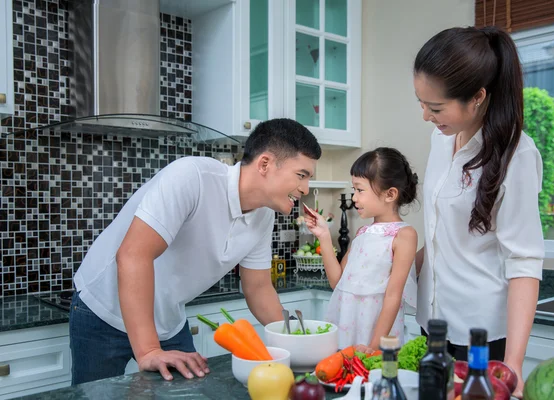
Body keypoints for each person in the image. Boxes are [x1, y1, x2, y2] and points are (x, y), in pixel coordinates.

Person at [69, 118, 321, 385]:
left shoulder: (263, 216)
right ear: (265, 164)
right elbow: (134, 255)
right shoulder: (192, 177)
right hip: (101, 309)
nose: (305, 188)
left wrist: (297, 336)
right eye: (301, 175)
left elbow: (258, 288)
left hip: (168, 319)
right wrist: (149, 351)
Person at [413, 26, 545, 397]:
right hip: (432, 322)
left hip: (481, 338)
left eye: (435, 107)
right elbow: (445, 231)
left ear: (477, 97)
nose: (425, 115)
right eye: (420, 102)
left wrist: (514, 365)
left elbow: (524, 261)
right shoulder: (439, 139)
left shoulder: (517, 155)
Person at [305, 147, 418, 350]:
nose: (354, 197)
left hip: (377, 336)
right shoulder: (363, 232)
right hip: (346, 327)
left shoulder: (404, 235)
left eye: (360, 190)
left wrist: (374, 348)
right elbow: (337, 283)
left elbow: (393, 296)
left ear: (390, 194)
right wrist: (323, 235)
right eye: (353, 190)